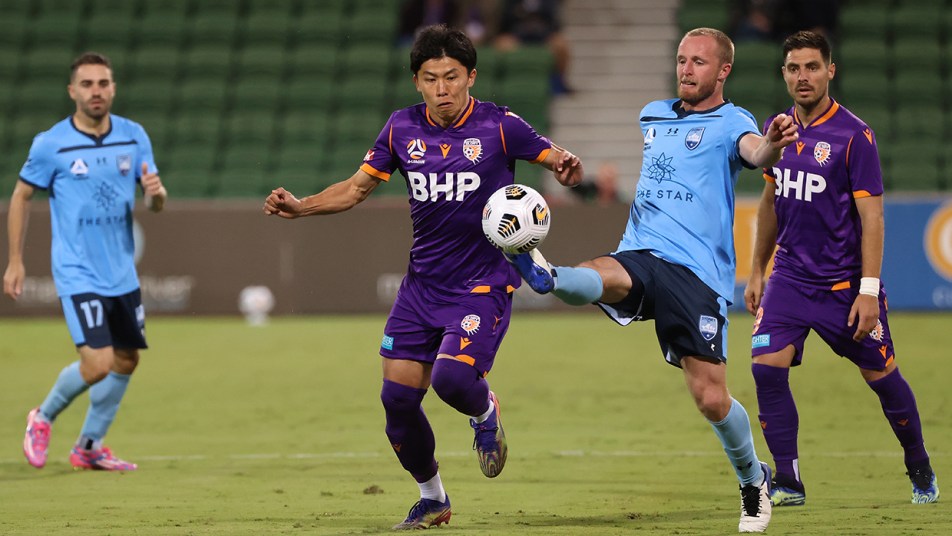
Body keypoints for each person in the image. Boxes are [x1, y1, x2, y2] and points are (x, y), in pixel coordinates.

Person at [262, 24, 582, 530]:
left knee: (454, 379)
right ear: (417, 81)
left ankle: (485, 413)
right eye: (431, 78)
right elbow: (356, 188)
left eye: (452, 77)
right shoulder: (401, 128)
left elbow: (557, 158)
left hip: (482, 282)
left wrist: (565, 167)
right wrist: (301, 208)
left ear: (471, 76)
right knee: (397, 401)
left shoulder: (501, 126)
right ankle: (432, 497)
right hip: (421, 287)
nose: (442, 89)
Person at [506, 28, 798, 533]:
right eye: (682, 60)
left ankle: (754, 480)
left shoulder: (734, 122)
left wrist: (771, 145)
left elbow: (755, 153)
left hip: (697, 274)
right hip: (642, 251)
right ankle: (548, 275)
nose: (686, 69)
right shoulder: (653, 114)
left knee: (710, 397)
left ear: (723, 71)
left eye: (699, 62)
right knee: (606, 273)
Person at [743, 30, 939, 506]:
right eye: (793, 68)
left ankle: (919, 465)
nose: (802, 77)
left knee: (884, 381)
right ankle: (789, 481)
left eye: (812, 67)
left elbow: (872, 218)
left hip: (842, 286)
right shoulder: (779, 128)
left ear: (831, 70)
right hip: (789, 278)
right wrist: (757, 270)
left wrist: (868, 291)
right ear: (784, 74)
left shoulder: (855, 136)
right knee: (766, 370)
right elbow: (770, 200)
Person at [4, 52, 167, 471]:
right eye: (88, 84)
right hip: (78, 271)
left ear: (113, 88)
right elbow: (21, 196)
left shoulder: (133, 136)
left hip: (121, 271)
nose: (96, 91)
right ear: (73, 91)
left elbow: (155, 203)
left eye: (104, 83)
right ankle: (42, 417)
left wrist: (157, 194)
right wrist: (15, 260)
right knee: (97, 362)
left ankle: (89, 447)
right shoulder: (51, 143)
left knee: (128, 358)